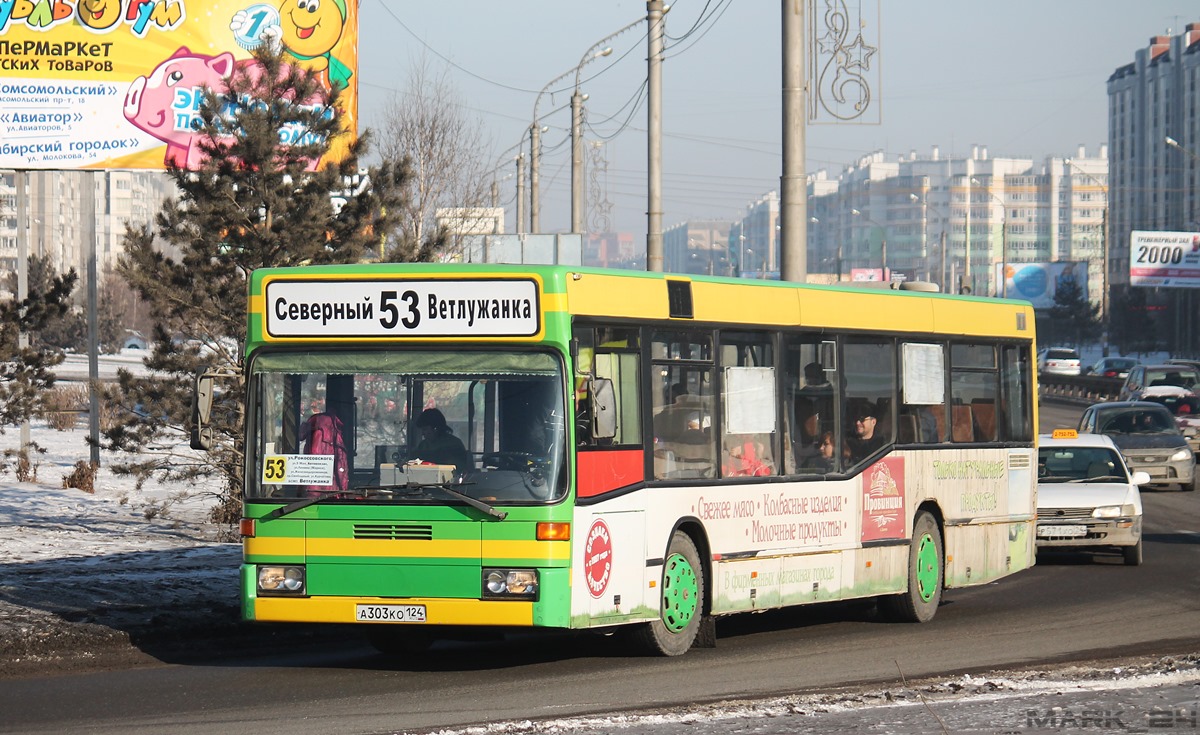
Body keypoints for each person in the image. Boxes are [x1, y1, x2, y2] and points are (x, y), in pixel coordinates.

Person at [413, 408, 472, 473]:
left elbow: (459, 470)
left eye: (425, 429)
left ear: (435, 428)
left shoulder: (453, 445)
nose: (422, 433)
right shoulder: (423, 445)